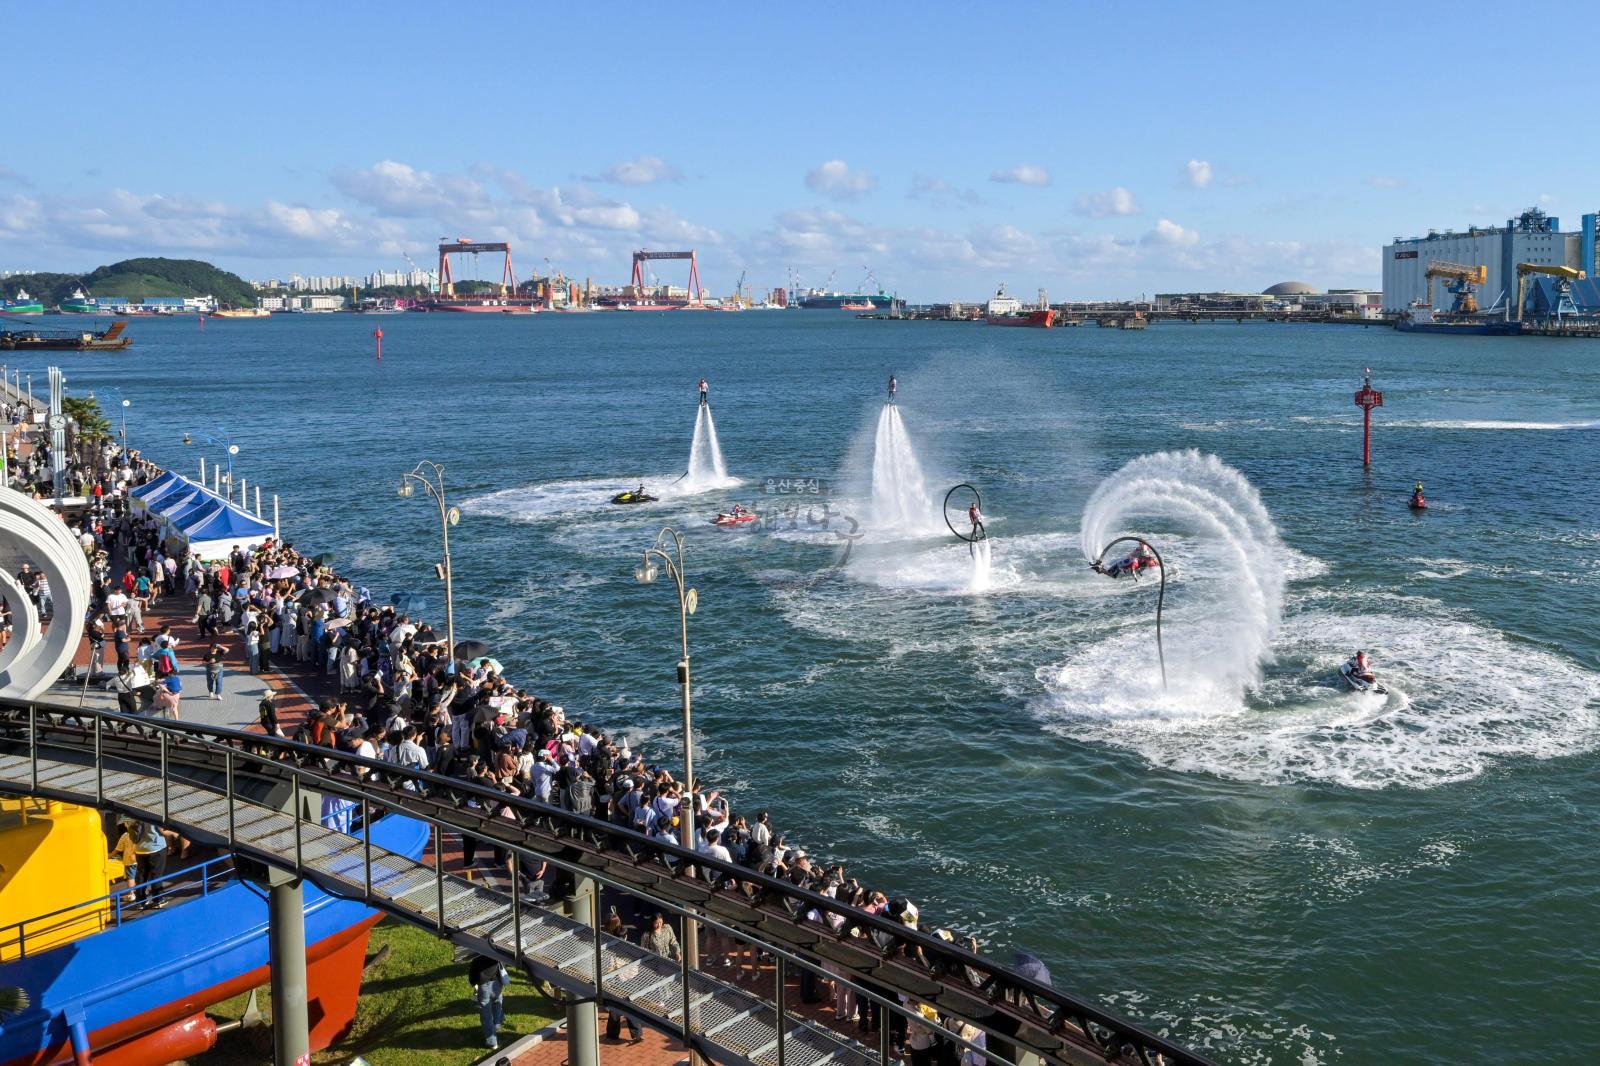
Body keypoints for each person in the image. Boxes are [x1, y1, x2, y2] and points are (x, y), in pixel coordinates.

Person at [468, 953, 509, 1050]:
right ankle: (497, 1025)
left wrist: (475, 985)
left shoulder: (477, 959)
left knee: (486, 1015)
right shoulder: (496, 954)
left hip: (484, 986)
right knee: (497, 1002)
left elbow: (472, 978)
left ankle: (492, 1042)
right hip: (497, 983)